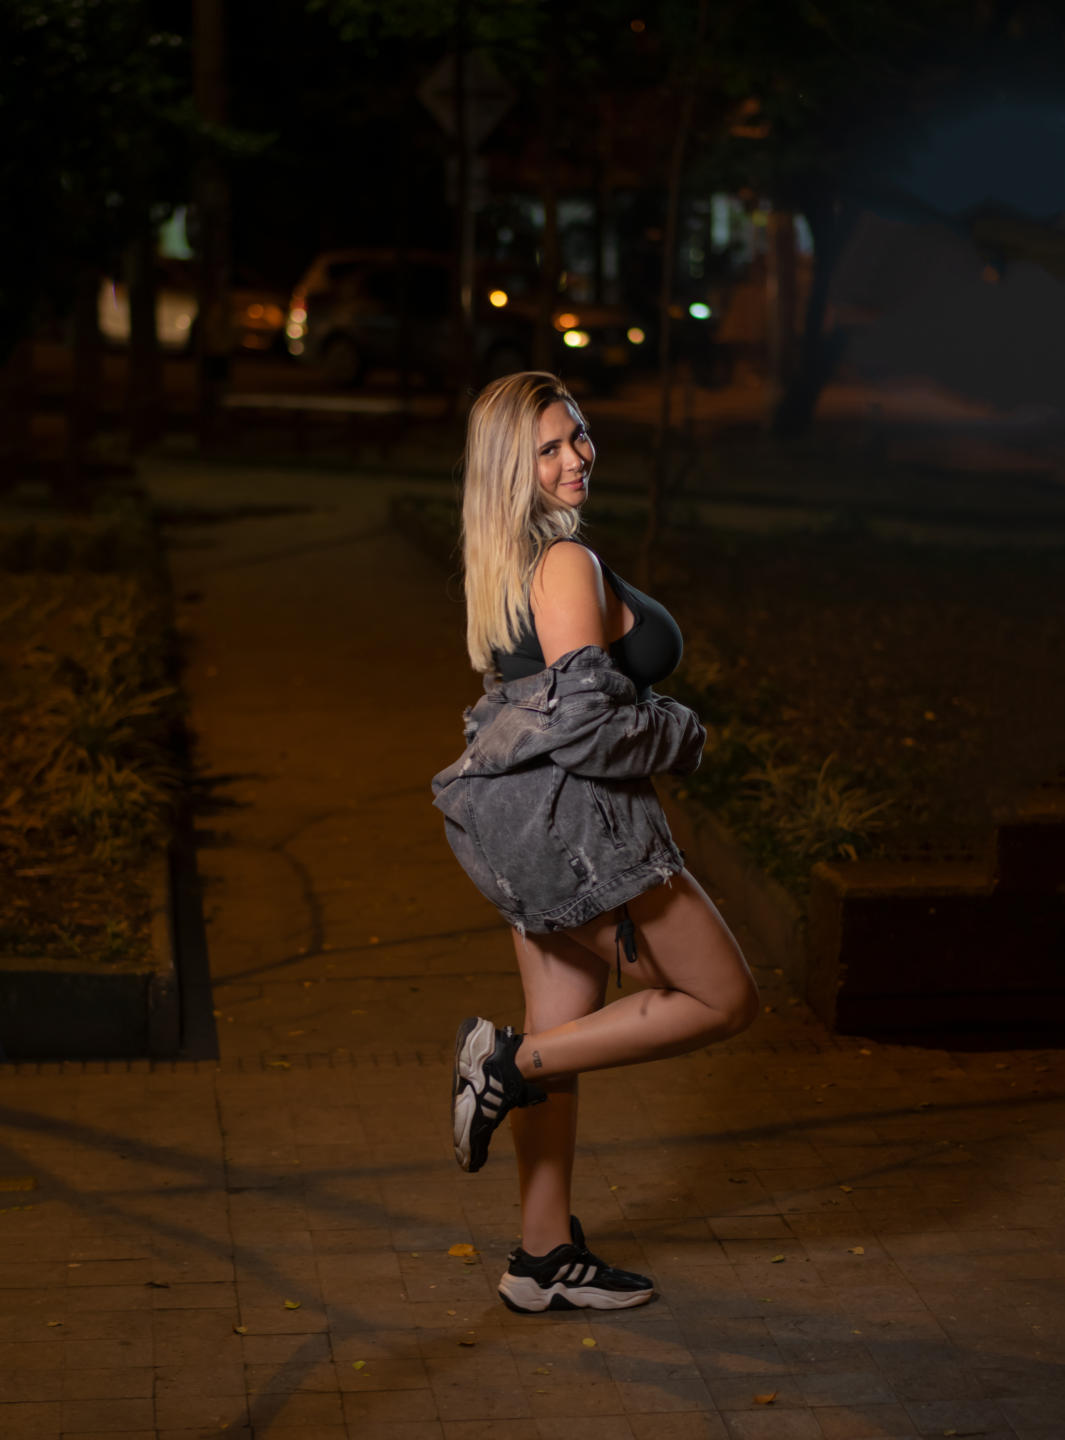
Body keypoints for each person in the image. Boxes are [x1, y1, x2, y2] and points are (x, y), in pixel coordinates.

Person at [432, 372, 759, 1314]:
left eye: (577, 435)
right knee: (722, 998)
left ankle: (541, 1259)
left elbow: (524, 704)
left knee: (565, 1041)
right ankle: (502, 1066)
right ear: (511, 466)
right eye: (548, 448)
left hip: (522, 829)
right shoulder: (563, 561)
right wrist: (681, 733)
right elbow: (583, 728)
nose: (576, 457)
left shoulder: (502, 558)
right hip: (586, 836)